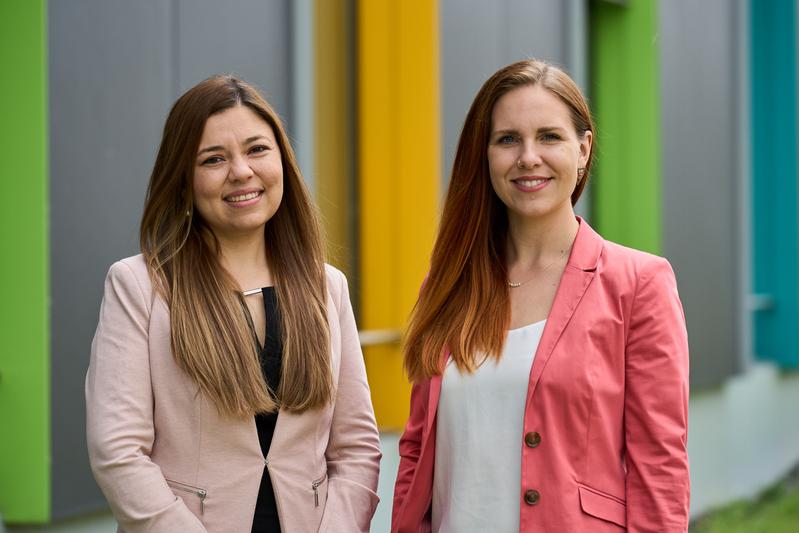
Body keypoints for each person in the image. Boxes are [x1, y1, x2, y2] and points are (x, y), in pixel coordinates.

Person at [392, 59, 689, 532]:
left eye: (549, 136)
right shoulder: (448, 283)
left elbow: (660, 467)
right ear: (485, 155)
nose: (528, 157)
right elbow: (416, 449)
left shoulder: (639, 284)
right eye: (508, 139)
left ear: (583, 149)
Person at [86, 75, 381, 533]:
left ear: (282, 159)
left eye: (257, 149)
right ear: (183, 178)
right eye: (213, 159)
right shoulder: (138, 287)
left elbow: (356, 448)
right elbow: (119, 452)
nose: (241, 171)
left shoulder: (328, 287)